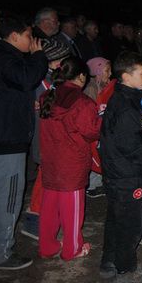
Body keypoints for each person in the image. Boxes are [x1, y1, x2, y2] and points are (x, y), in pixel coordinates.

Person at [0, 16, 47, 270]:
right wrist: (39, 57)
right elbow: (27, 78)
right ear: (15, 36)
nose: (32, 42)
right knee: (6, 198)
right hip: (6, 139)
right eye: (29, 36)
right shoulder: (9, 59)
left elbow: (5, 93)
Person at [99, 51, 142, 283]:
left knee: (116, 219)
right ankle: (126, 271)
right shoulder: (126, 107)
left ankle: (109, 263)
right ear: (126, 77)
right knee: (130, 225)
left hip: (119, 173)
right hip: (127, 175)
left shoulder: (126, 99)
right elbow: (133, 146)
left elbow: (141, 135)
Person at [38, 57, 101, 261]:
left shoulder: (47, 96)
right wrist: (101, 120)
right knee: (72, 209)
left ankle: (47, 246)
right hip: (71, 162)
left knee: (49, 205)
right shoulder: (83, 103)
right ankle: (72, 248)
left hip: (50, 160)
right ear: (81, 76)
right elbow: (90, 132)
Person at [21, 40, 71, 241]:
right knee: (43, 181)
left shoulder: (52, 80)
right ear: (57, 62)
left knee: (48, 180)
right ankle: (33, 223)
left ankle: (46, 219)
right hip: (44, 140)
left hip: (51, 140)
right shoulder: (41, 83)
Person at [84, 57, 116, 199]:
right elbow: (89, 110)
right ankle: (91, 185)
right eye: (107, 71)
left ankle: (98, 182)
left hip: (102, 127)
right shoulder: (91, 88)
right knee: (93, 155)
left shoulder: (103, 86)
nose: (110, 74)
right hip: (92, 128)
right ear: (97, 71)